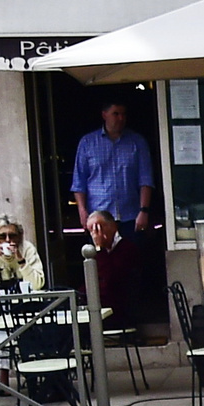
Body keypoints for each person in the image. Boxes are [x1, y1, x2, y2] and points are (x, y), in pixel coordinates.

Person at [71, 101, 155, 235]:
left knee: (130, 255)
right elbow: (79, 181)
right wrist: (82, 211)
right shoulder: (87, 143)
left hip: (130, 216)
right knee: (101, 255)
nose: (120, 118)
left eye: (123, 114)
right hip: (98, 216)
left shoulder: (137, 142)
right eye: (115, 114)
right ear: (104, 115)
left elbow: (145, 179)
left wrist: (144, 211)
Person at [85, 210, 140, 329]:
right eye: (92, 231)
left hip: (120, 308)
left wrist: (100, 249)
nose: (96, 235)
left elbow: (109, 278)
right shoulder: (92, 251)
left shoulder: (127, 248)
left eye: (98, 228)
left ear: (113, 226)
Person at [0, 214, 45, 290]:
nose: (7, 240)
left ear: (20, 236)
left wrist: (21, 261)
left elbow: (37, 285)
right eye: (2, 236)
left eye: (12, 236)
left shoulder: (27, 249)